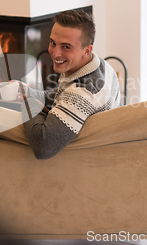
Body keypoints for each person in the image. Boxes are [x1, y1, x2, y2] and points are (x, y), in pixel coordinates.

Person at [19, 10, 121, 159]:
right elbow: (64, 94)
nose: (55, 53)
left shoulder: (83, 92)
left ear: (87, 50)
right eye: (53, 43)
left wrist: (28, 102)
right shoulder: (100, 65)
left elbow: (43, 147)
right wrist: (29, 92)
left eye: (66, 47)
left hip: (83, 161)